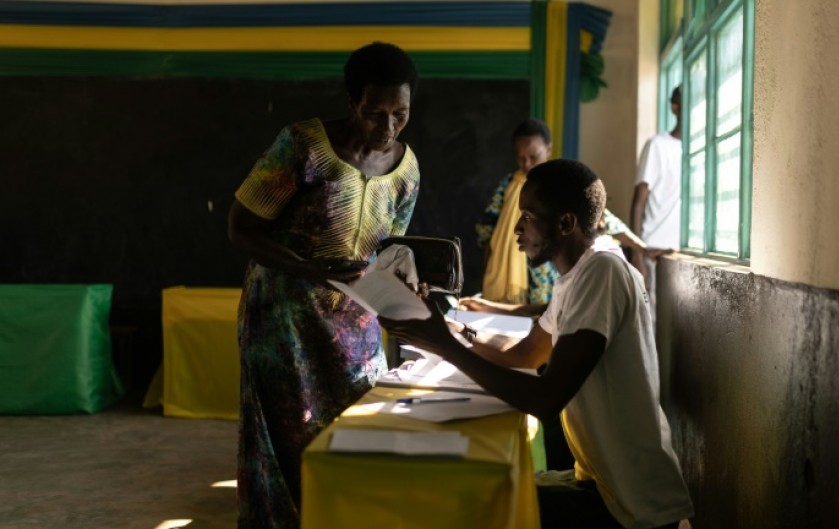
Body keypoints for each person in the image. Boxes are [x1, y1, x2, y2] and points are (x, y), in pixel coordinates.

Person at [382, 159, 694, 529]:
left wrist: (445, 347)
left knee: (474, 506)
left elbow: (546, 400)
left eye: (527, 217)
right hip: (603, 484)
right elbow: (526, 353)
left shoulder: (603, 271)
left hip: (633, 506)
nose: (516, 229)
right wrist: (449, 333)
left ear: (565, 223)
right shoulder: (574, 278)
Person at [227, 42, 419, 529]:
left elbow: (391, 247)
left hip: (355, 322)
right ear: (352, 101)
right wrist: (310, 270)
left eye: (401, 113)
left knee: (355, 426)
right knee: (287, 434)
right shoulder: (303, 146)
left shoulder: (407, 169)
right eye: (376, 113)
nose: (388, 127)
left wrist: (405, 287)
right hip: (282, 319)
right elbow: (241, 228)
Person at [471, 118, 660, 317]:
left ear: (548, 149)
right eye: (521, 158)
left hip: (546, 281)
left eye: (533, 157)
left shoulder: (593, 270)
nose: (526, 164)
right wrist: (487, 289)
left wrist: (642, 249)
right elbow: (487, 232)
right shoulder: (509, 185)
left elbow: (602, 216)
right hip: (512, 283)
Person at [631, 87, 683, 312]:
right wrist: (636, 255)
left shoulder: (700, 148)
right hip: (651, 251)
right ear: (675, 107)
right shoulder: (658, 145)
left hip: (678, 252)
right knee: (649, 326)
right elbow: (638, 201)